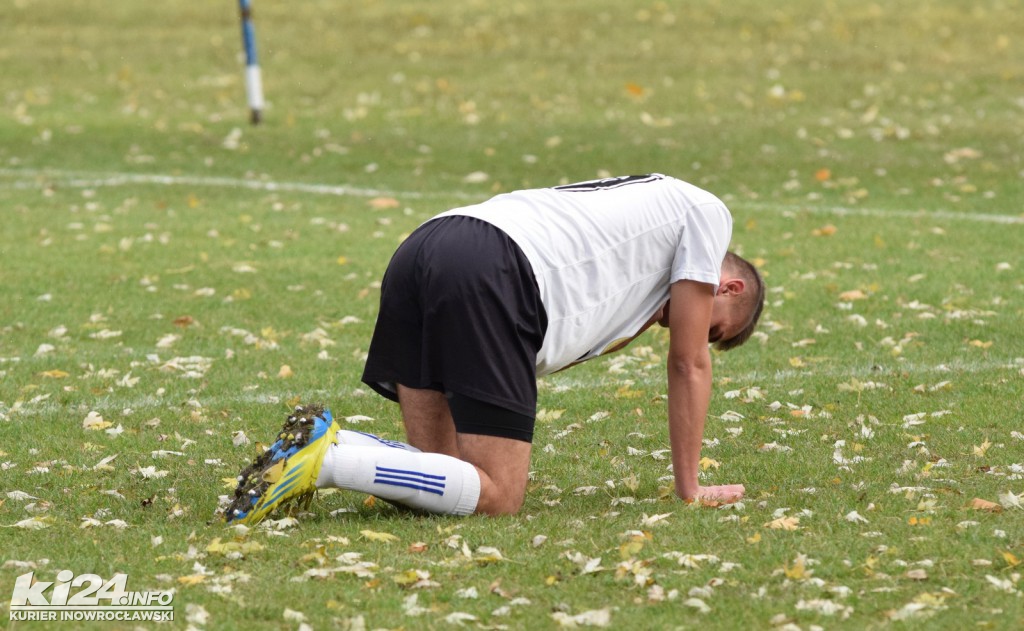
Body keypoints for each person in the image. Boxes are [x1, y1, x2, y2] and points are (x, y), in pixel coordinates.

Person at [224, 173, 764, 524]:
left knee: (444, 477)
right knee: (499, 497)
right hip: (496, 271)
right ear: (729, 288)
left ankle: (327, 440)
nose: (692, 332)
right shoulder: (707, 213)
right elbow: (688, 363)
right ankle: (327, 462)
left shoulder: (647, 221)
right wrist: (688, 486)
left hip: (425, 245)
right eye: (718, 328)